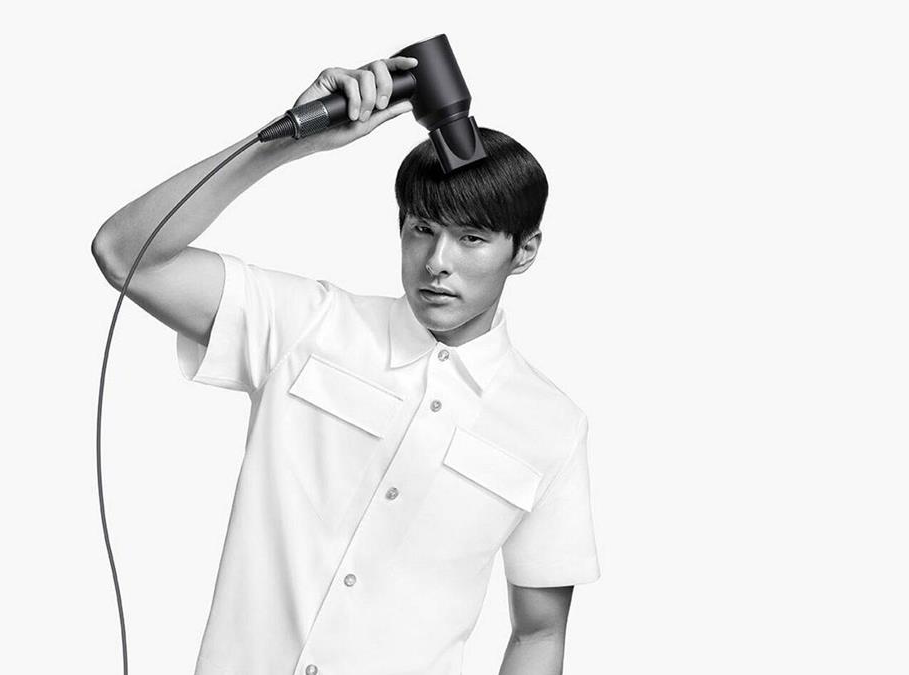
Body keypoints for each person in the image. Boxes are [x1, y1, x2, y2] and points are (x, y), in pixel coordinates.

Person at [91, 54, 600, 675]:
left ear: (524, 252)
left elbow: (539, 633)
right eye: (422, 229)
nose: (437, 261)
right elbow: (127, 254)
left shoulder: (552, 425)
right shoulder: (306, 325)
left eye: (471, 238)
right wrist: (291, 141)